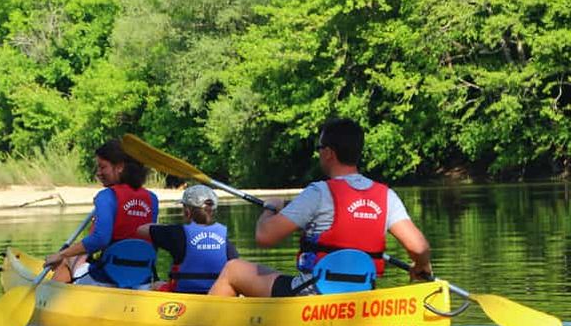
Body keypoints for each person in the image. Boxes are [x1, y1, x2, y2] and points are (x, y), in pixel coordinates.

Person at [209, 118, 432, 297]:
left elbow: (265, 236)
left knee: (233, 270)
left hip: (314, 294)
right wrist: (421, 266)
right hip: (361, 296)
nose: (319, 153)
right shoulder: (386, 196)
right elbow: (419, 247)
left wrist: (270, 208)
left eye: (319, 148)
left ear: (329, 153)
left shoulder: (318, 193)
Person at [44, 139, 159, 286]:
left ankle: (47, 297)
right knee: (81, 256)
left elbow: (100, 239)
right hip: (142, 275)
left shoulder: (107, 196)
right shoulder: (152, 198)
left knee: (67, 259)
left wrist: (61, 254)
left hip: (108, 277)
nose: (98, 173)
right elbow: (151, 240)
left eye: (102, 167)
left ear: (120, 167)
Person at [136, 184, 239, 294]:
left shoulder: (176, 233)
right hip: (214, 295)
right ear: (212, 212)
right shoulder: (224, 239)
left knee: (156, 284)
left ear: (187, 212)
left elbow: (141, 230)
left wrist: (167, 228)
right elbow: (236, 267)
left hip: (183, 295)